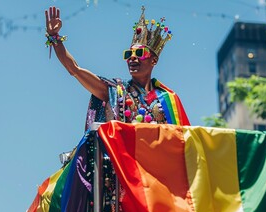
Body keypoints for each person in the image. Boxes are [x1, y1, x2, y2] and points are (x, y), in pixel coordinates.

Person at [45, 6, 190, 131]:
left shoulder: (168, 99)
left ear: (154, 60)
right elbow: (74, 69)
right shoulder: (115, 91)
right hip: (122, 161)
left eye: (139, 53)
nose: (132, 58)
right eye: (128, 54)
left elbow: (182, 138)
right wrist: (55, 38)